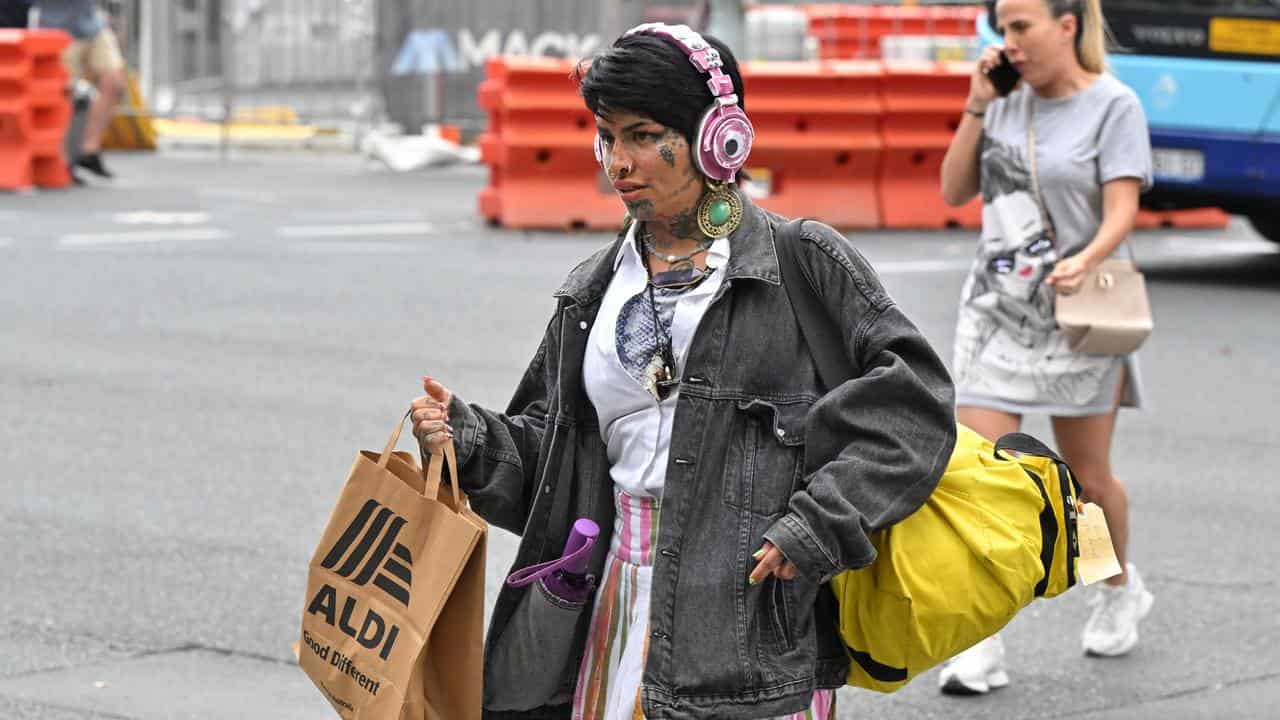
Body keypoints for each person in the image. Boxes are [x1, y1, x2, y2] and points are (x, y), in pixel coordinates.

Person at [411, 23, 957, 720]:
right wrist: (468, 439)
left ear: (718, 137)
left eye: (642, 135)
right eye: (606, 137)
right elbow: (554, 467)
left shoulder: (803, 262)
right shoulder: (592, 289)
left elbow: (915, 410)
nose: (619, 162)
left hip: (744, 630)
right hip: (610, 611)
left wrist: (818, 525)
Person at [937, 0, 1155, 696]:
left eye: (1023, 26)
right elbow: (952, 189)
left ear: (1067, 25)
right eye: (1004, 29)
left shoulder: (1113, 106)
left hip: (1078, 312)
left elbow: (1122, 205)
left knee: (1086, 483)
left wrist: (1089, 254)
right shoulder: (999, 101)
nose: (1011, 42)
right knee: (981, 481)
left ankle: (1114, 584)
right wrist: (975, 107)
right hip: (997, 314)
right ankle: (980, 641)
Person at [34, 0, 124, 179]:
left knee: (114, 81)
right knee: (63, 95)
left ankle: (89, 150)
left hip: (93, 25)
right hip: (57, 28)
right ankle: (61, 160)